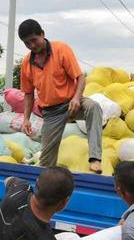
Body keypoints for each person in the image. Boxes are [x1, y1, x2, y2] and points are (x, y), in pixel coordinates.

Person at [18, 18, 103, 172]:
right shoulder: (26, 63)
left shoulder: (61, 49)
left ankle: (95, 157)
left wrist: (77, 98)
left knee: (94, 107)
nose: (31, 45)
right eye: (27, 43)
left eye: (34, 40)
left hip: (72, 103)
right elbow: (28, 94)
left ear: (42, 34)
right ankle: (45, 186)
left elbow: (80, 77)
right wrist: (26, 119)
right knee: (46, 162)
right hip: (51, 112)